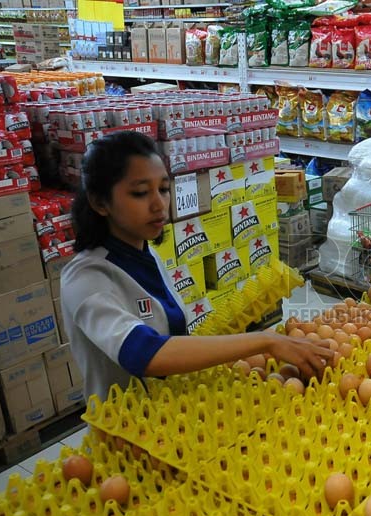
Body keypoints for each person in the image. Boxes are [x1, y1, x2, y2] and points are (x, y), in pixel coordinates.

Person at [62, 131, 332, 401]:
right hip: (126, 430)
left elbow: (175, 335)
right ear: (100, 202)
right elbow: (143, 353)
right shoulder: (86, 278)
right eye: (141, 192)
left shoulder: (147, 254)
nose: (159, 204)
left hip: (172, 416)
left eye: (164, 189)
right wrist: (265, 341)